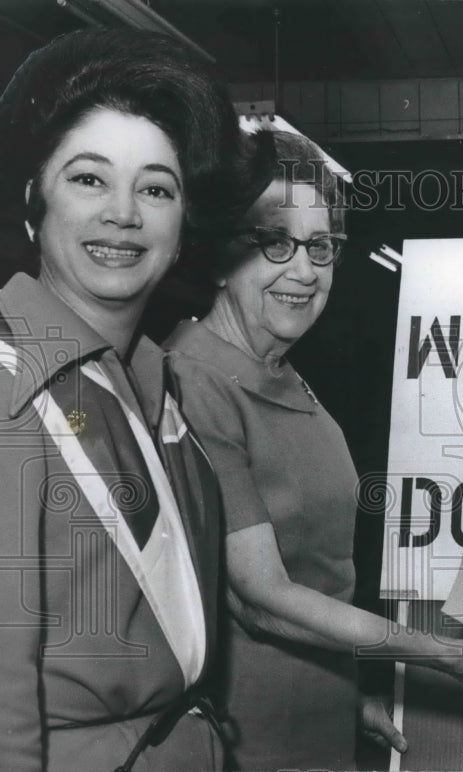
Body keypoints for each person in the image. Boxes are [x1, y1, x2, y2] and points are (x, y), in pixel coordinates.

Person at [165, 129, 463, 772]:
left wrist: (342, 700)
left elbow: (318, 570)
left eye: (321, 246)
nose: (304, 269)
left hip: (315, 725)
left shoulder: (285, 375)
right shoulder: (193, 381)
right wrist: (455, 657)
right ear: (218, 254)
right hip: (245, 743)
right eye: (275, 241)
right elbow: (260, 597)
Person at [0, 29, 242, 771]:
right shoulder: (13, 386)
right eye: (89, 179)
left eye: (157, 188)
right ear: (33, 205)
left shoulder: (151, 382)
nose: (124, 214)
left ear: (180, 232)